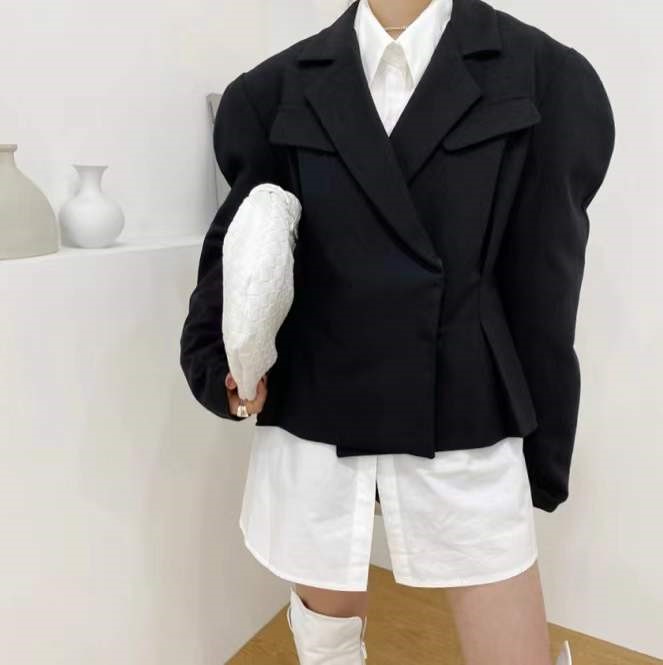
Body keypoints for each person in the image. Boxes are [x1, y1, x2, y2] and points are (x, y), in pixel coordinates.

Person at [179, 0, 615, 663]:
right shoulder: (272, 89)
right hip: (319, 402)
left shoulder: (544, 77)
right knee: (325, 640)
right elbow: (242, 245)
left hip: (465, 402)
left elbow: (545, 279)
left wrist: (542, 441)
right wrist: (223, 366)